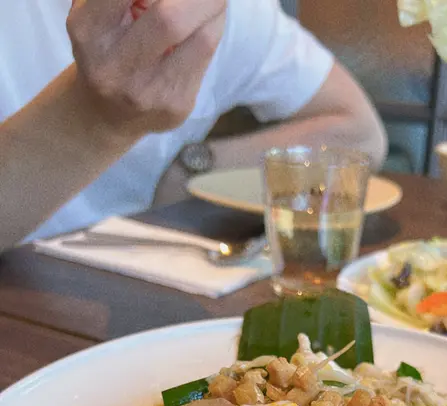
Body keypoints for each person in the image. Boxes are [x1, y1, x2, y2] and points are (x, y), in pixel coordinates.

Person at [0, 0, 387, 251]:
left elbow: (361, 135)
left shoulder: (231, 12)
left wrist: (193, 169)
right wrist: (98, 119)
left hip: (140, 294)